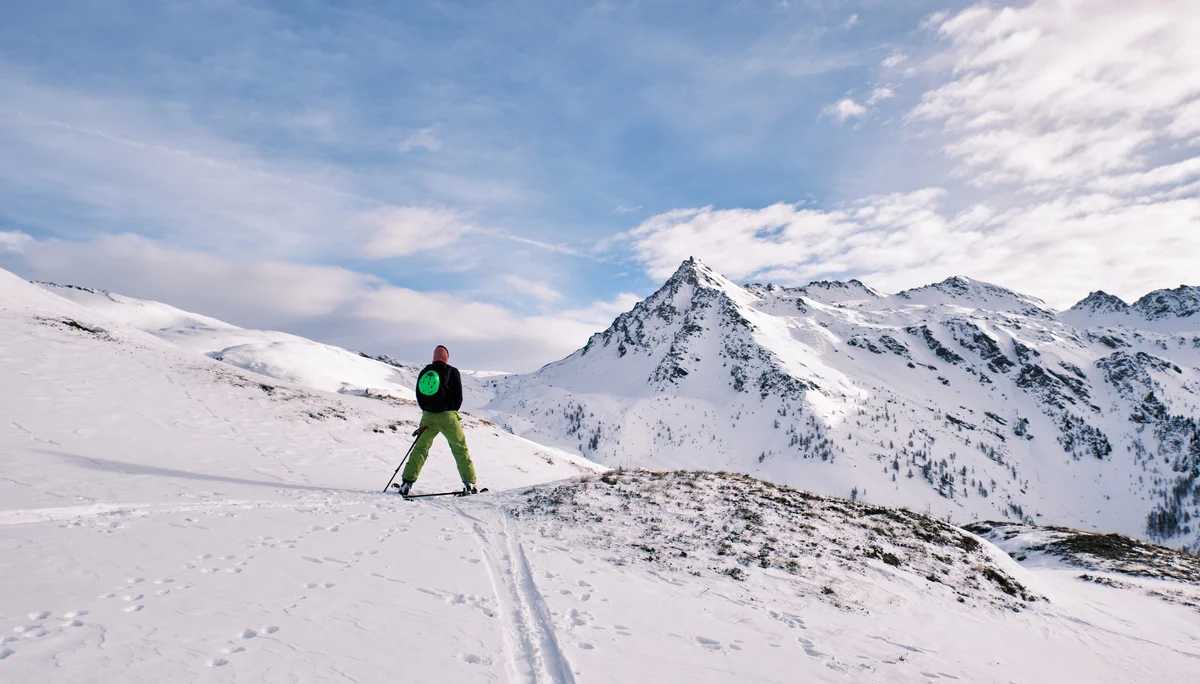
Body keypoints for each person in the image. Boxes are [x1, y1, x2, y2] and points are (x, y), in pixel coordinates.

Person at [396, 345, 478, 496]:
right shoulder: (453, 372)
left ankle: (407, 482)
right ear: (446, 357)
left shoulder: (425, 372)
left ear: (434, 357)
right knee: (460, 449)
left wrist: (428, 410)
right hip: (449, 417)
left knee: (420, 449)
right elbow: (458, 397)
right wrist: (451, 410)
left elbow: (419, 396)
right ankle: (469, 483)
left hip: (428, 417)